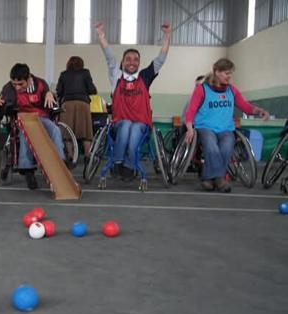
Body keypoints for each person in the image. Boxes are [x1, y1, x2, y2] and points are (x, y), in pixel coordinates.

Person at [95, 21, 172, 181]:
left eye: (135, 59)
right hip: (119, 124)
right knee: (126, 124)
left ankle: (128, 166)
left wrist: (167, 35)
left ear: (139, 63)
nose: (132, 62)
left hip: (142, 124)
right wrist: (101, 35)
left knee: (134, 127)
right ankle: (118, 162)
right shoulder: (116, 76)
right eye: (128, 59)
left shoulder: (145, 76)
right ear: (122, 62)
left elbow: (161, 59)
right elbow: (109, 56)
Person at [184, 58, 269, 192]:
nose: (229, 76)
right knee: (211, 147)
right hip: (205, 127)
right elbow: (191, 111)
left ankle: (209, 179)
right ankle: (220, 179)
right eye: (226, 73)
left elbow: (245, 107)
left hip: (226, 129)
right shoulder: (202, 89)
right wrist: (189, 128)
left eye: (230, 73)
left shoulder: (232, 90)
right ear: (217, 72)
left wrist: (259, 111)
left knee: (227, 147)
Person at [0, 63, 65, 190]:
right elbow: (3, 103)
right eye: (14, 84)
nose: (17, 87)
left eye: (21, 84)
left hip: (41, 118)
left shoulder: (40, 84)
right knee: (24, 134)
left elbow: (49, 94)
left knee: (55, 129)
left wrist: (50, 94)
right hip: (22, 119)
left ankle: (60, 162)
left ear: (29, 79)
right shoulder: (9, 88)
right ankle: (27, 169)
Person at [56, 56, 97, 165]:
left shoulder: (63, 74)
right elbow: (92, 90)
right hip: (82, 104)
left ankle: (70, 156)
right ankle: (88, 156)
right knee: (85, 132)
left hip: (67, 105)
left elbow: (59, 91)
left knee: (66, 132)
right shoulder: (85, 73)